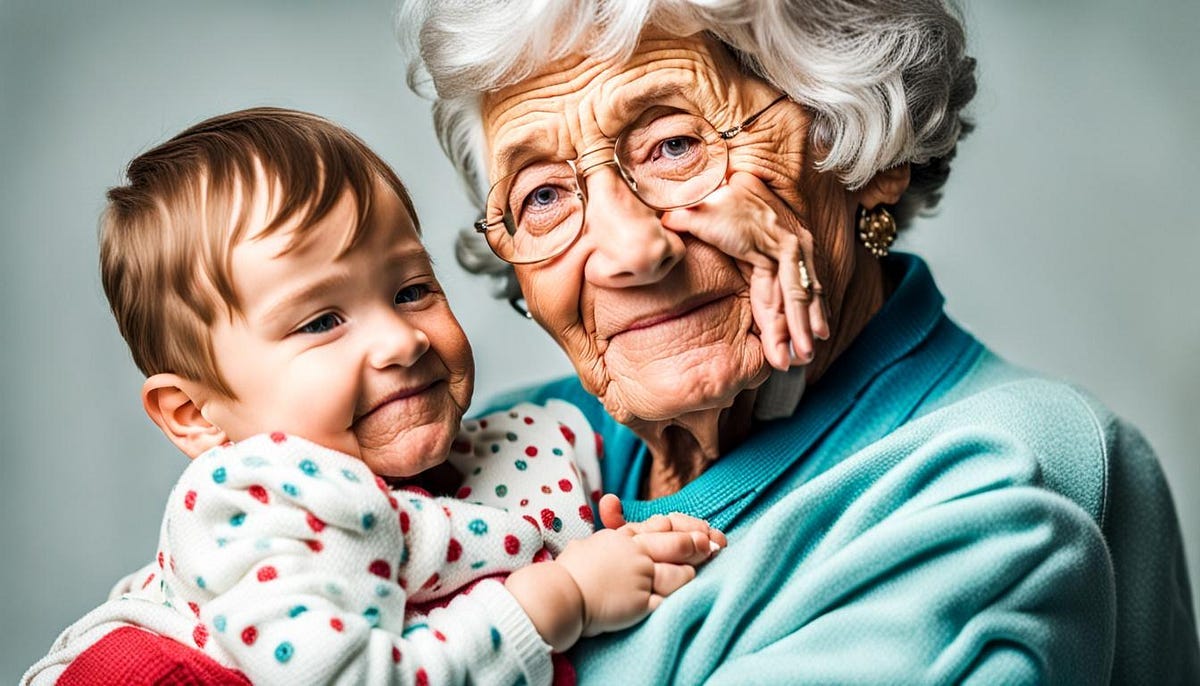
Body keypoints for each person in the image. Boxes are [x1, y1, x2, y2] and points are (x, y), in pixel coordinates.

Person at [390, 0, 1200, 683]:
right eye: (543, 195)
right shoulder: (502, 451)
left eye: (676, 145)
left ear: (865, 150)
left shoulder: (992, 478)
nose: (627, 251)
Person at [22, 107, 737, 685]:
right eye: (322, 321)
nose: (402, 339)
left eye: (412, 290)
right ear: (194, 415)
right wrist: (562, 597)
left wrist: (598, 540)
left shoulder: (529, 440)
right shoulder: (260, 502)